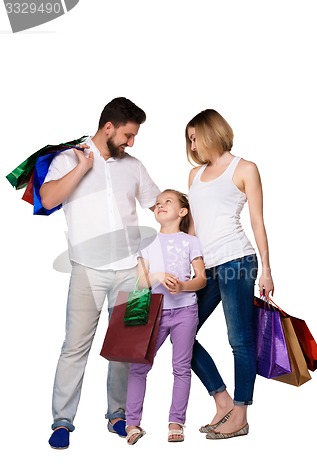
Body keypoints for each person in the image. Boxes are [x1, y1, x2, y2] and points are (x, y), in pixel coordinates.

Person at [40, 97, 160, 449]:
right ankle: (62, 421)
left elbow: (158, 203)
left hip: (133, 272)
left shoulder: (134, 166)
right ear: (108, 127)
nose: (131, 142)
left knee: (126, 348)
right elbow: (48, 200)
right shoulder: (67, 159)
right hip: (87, 271)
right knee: (74, 347)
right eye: (127, 134)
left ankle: (118, 416)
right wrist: (81, 168)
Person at [186, 108, 274, 439]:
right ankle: (223, 402)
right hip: (205, 267)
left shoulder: (245, 168)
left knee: (239, 340)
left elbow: (257, 221)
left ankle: (241, 414)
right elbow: (193, 227)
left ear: (212, 131)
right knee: (182, 333)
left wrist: (266, 269)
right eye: (189, 139)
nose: (193, 145)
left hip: (238, 261)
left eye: (196, 136)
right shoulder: (194, 175)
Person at [125, 189, 206, 445]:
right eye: (158, 203)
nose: (160, 205)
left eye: (167, 202)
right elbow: (139, 282)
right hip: (154, 311)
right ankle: (132, 423)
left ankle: (176, 422)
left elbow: (202, 280)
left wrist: (182, 286)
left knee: (181, 368)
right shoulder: (147, 242)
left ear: (182, 212)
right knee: (139, 367)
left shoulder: (191, 241)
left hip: (185, 312)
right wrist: (159, 276)